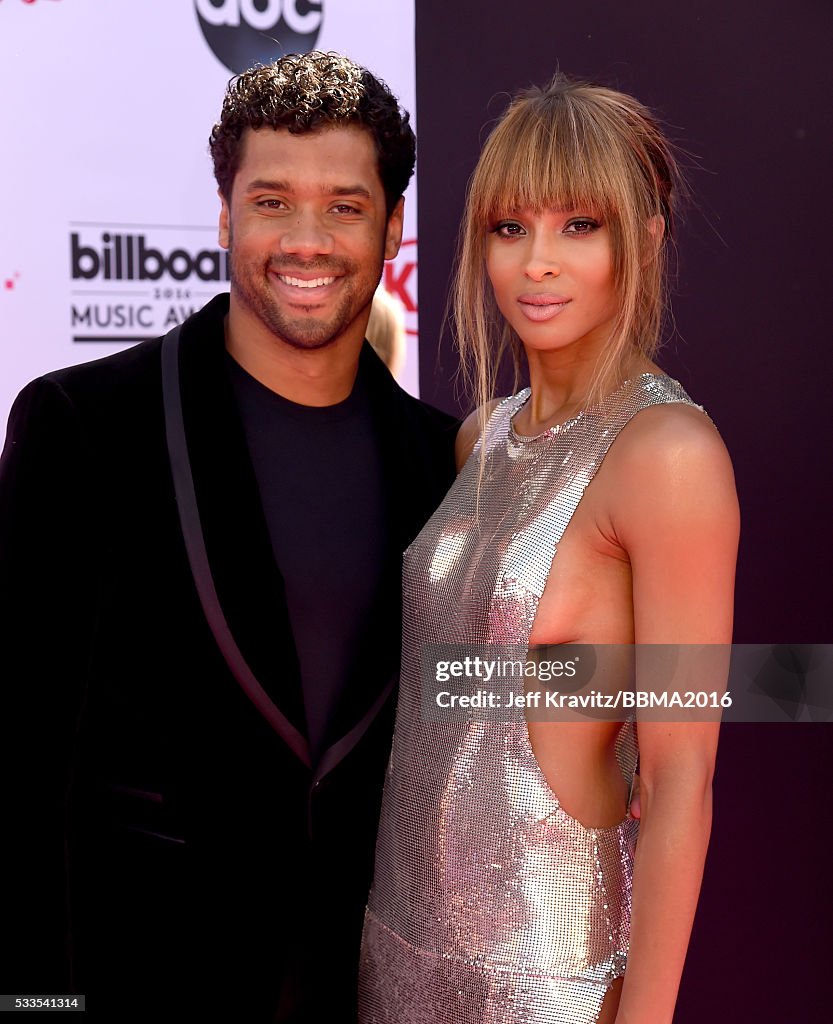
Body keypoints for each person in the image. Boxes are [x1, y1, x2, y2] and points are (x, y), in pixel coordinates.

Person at [0, 52, 457, 1021]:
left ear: (391, 226)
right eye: (271, 200)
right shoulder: (86, 424)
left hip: (361, 994)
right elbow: (20, 758)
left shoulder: (443, 461)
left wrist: (621, 718)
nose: (306, 239)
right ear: (223, 214)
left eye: (342, 204)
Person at [359, 74, 739, 1023]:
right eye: (508, 227)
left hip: (544, 981)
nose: (538, 263)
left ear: (643, 238)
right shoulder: (480, 435)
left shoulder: (667, 456)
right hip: (395, 952)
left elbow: (681, 777)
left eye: (580, 226)